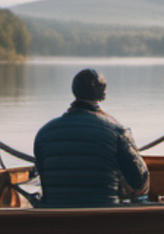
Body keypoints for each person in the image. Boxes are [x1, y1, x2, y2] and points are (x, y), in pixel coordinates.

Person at [32, 68, 149, 208]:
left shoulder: (44, 133)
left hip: (55, 217)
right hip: (104, 216)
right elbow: (139, 181)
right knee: (141, 196)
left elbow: (42, 176)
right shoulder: (117, 131)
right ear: (102, 92)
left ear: (74, 90)